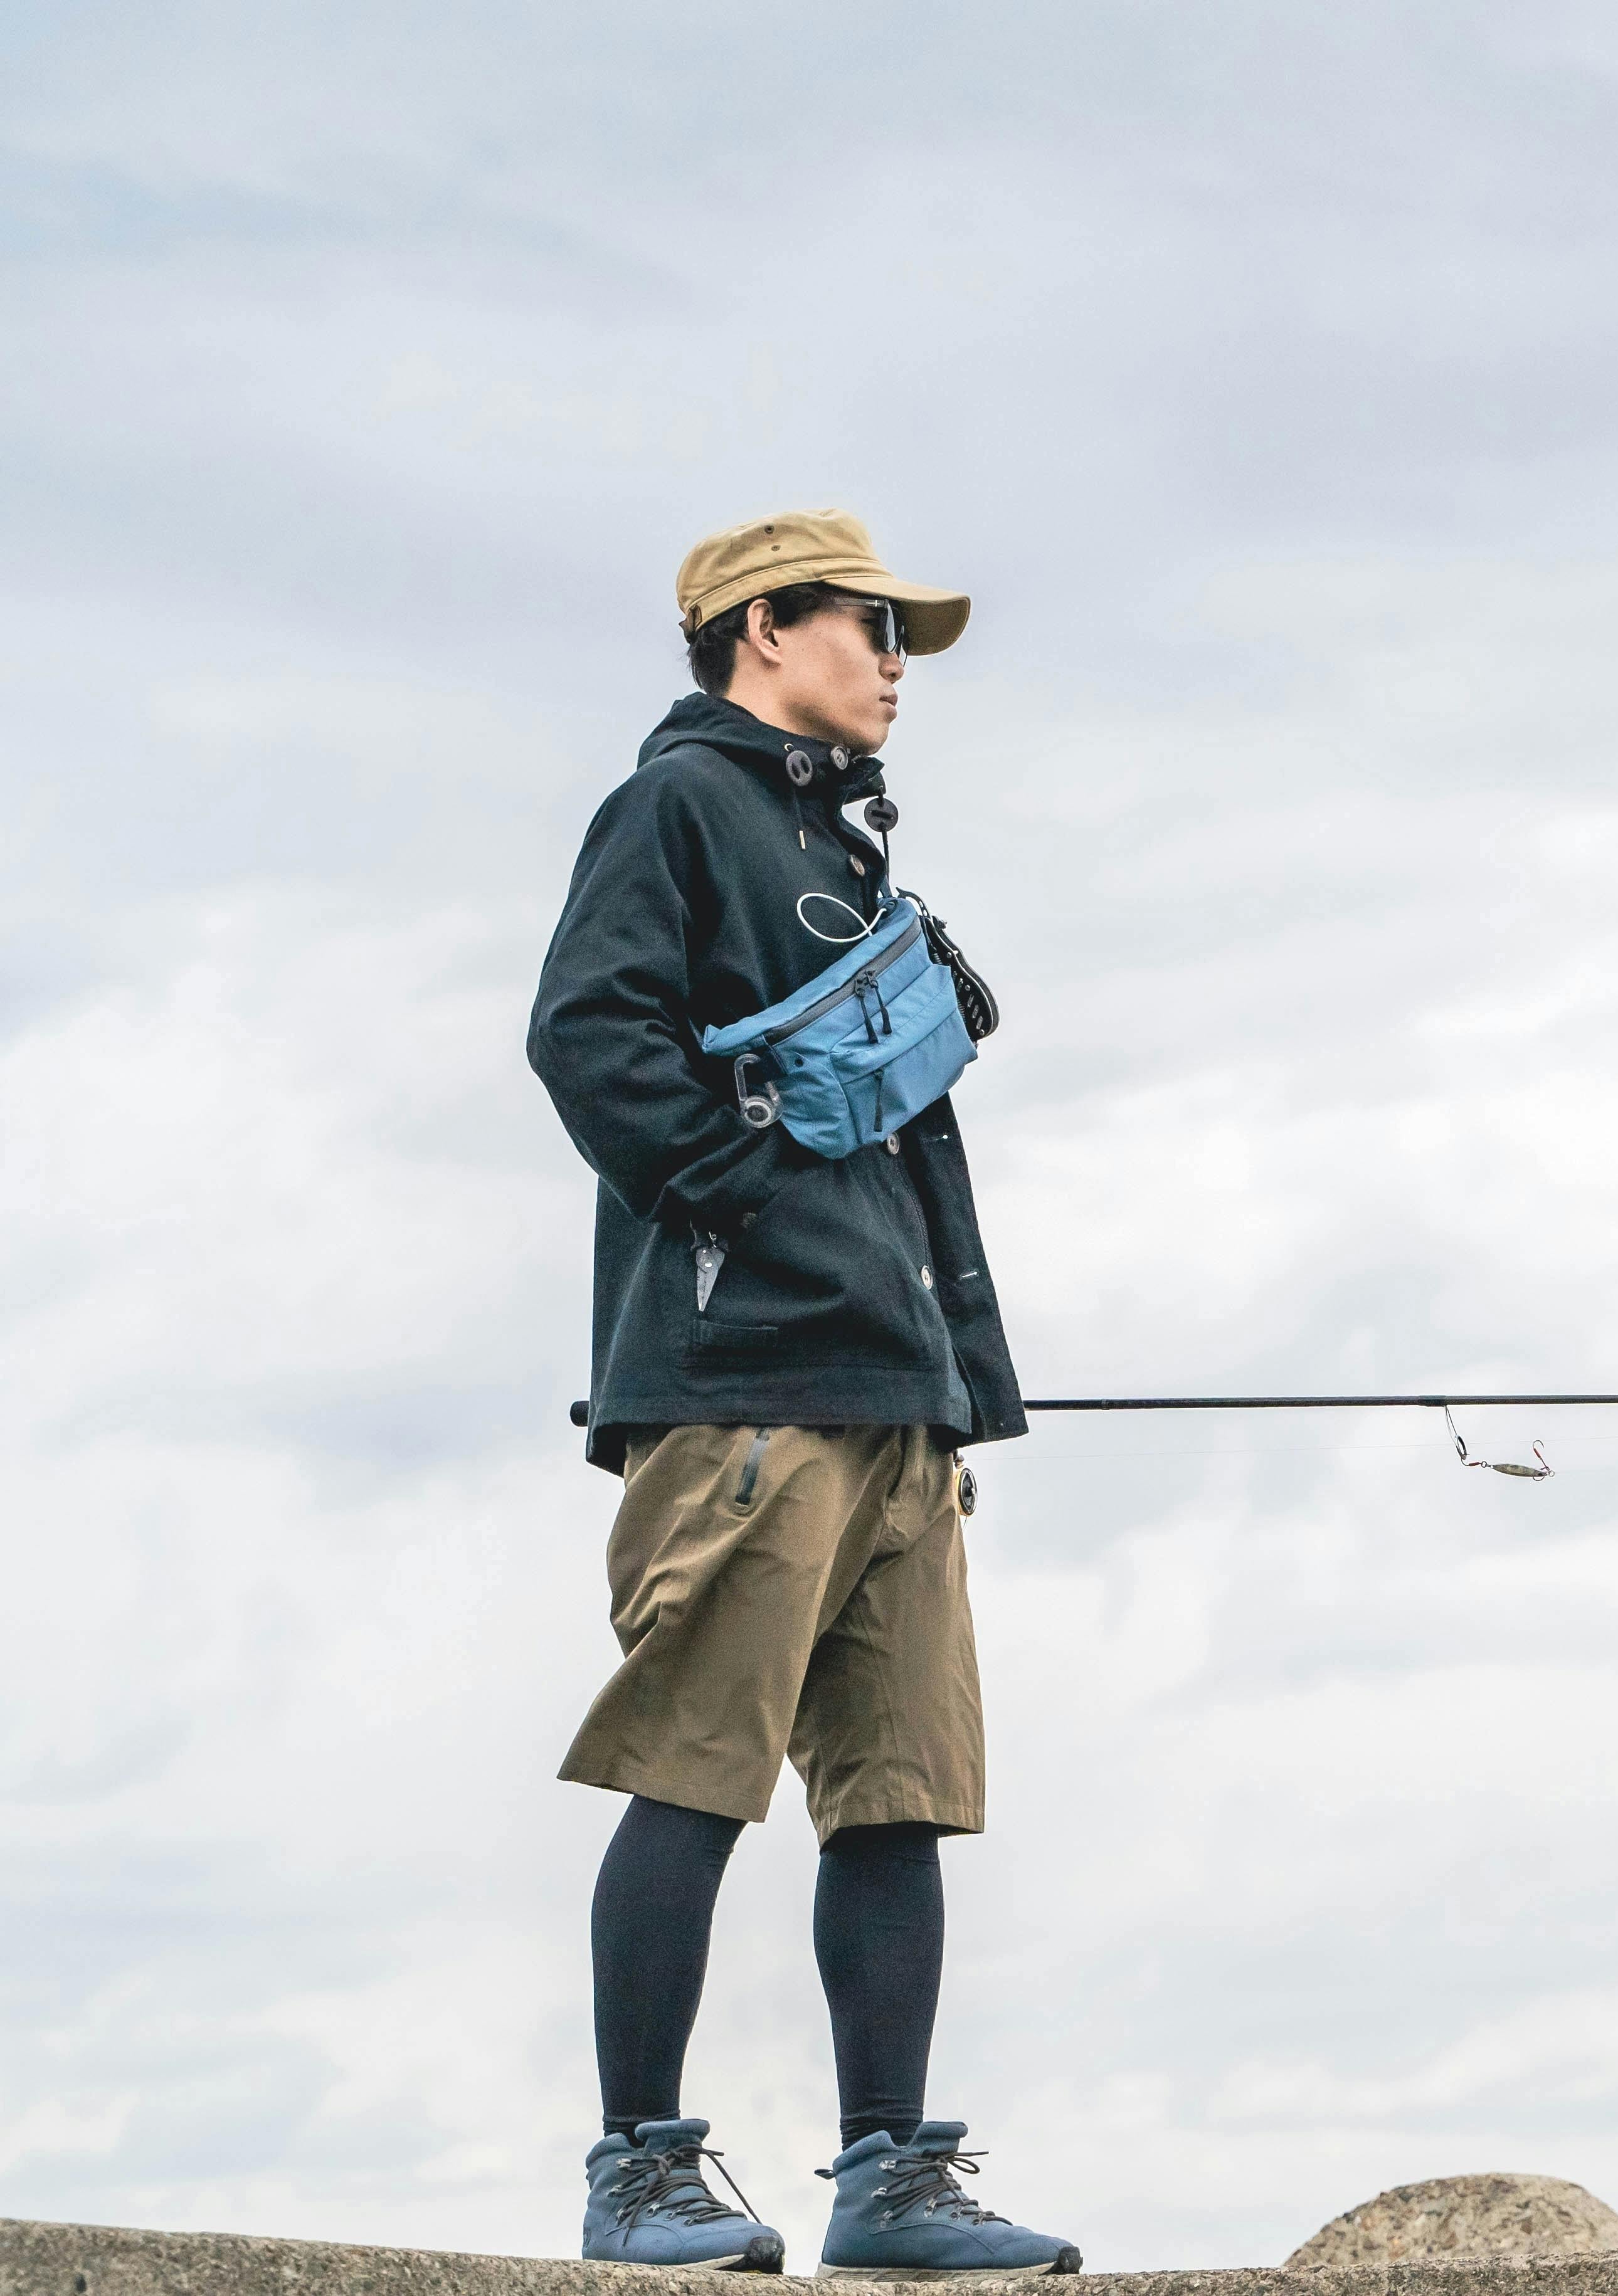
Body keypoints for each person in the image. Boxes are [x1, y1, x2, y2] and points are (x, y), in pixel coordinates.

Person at [526, 509, 1078, 2277]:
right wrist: (754, 1209)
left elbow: (901, 1150)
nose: (900, 662)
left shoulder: (843, 846)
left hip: (896, 1402)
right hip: (742, 1393)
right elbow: (587, 1035)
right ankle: (638, 2171)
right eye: (873, 625)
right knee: (695, 1769)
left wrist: (958, 1380)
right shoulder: (678, 807)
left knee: (899, 1795)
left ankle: (890, 2180)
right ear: (764, 626)